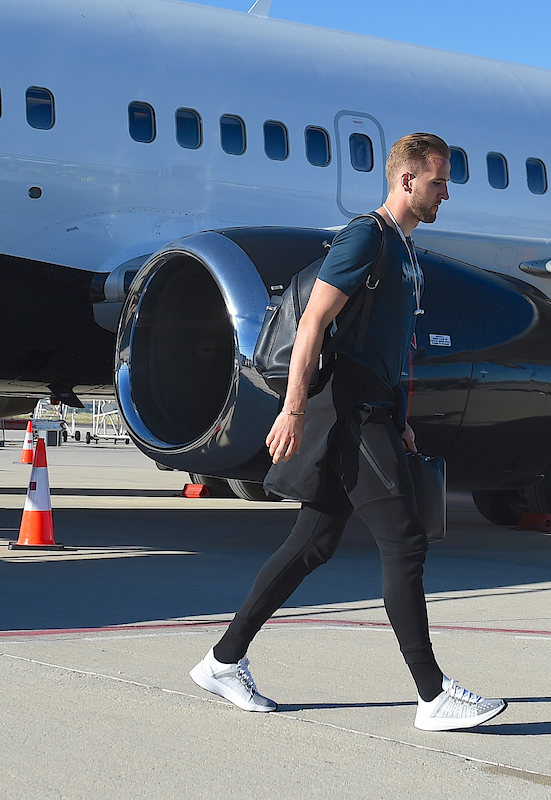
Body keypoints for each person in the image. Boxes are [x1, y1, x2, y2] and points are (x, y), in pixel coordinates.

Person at [190, 132, 506, 731]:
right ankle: (434, 697)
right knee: (404, 540)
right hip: (350, 409)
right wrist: (292, 408)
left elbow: (389, 347)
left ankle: (223, 660)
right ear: (406, 181)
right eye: (439, 182)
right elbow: (312, 322)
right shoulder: (367, 237)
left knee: (314, 542)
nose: (446, 194)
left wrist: (404, 420)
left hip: (377, 408)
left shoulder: (406, 254)